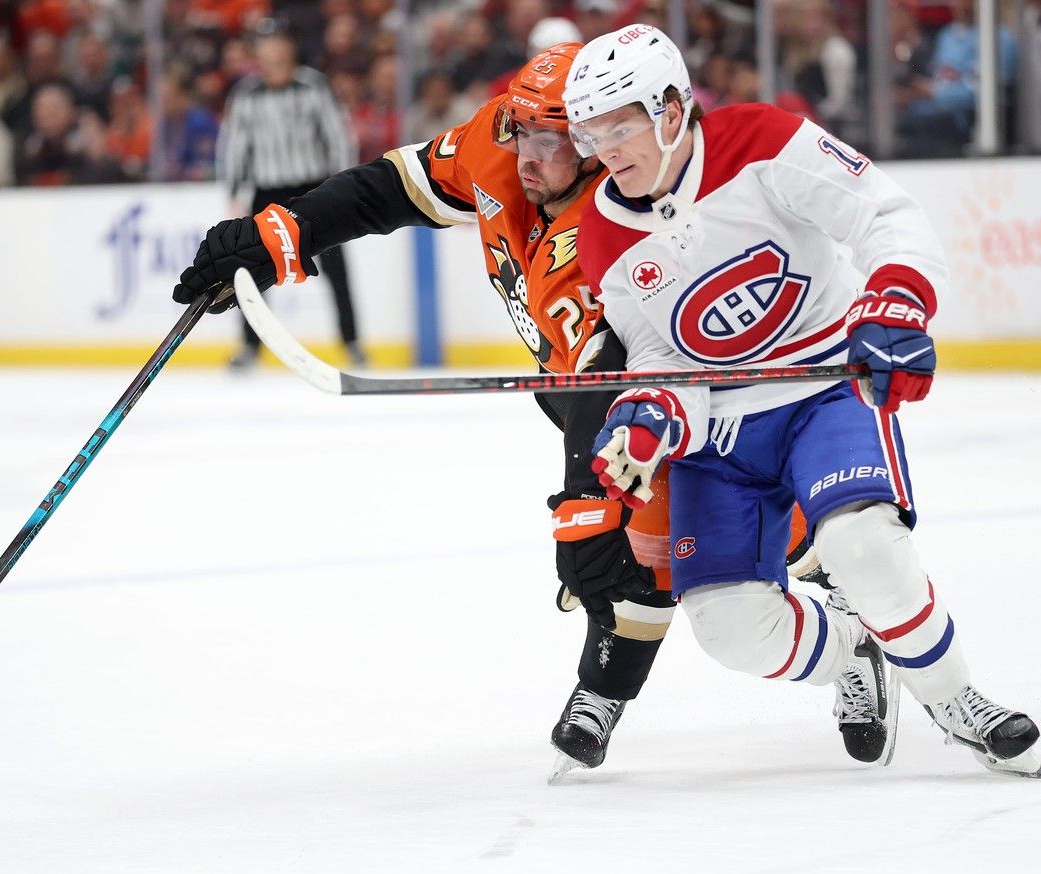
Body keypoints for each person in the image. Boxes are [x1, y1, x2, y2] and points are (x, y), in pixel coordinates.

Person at [172, 44, 889, 779]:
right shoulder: (504, 141)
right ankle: (617, 685)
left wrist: (585, 502)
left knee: (742, 538)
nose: (526, 157)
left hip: (683, 394)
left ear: (596, 151)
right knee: (637, 549)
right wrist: (280, 233)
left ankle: (845, 632)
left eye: (551, 142)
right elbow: (389, 188)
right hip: (573, 386)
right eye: (521, 131)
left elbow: (607, 372)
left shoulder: (617, 228)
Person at [564, 23, 1039, 776]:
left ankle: (954, 699)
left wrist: (896, 305)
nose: (605, 148)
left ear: (669, 108)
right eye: (591, 131)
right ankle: (854, 648)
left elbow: (883, 214)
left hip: (823, 386)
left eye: (619, 124)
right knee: (727, 627)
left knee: (861, 545)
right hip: (723, 429)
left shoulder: (761, 139)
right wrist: (650, 414)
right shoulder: (601, 229)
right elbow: (659, 351)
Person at [215, 26, 365, 369]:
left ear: (289, 47)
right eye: (266, 46)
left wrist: (342, 183)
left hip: (314, 188)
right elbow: (235, 147)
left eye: (278, 43)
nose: (273, 53)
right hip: (267, 193)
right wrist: (234, 193)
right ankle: (250, 346)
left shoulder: (313, 86)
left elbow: (337, 135)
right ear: (258, 53)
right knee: (251, 272)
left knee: (336, 268)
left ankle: (352, 342)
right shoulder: (246, 95)